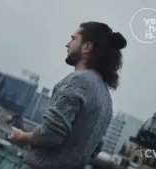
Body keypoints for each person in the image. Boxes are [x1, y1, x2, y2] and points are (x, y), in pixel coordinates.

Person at [10, 21, 127, 169]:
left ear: (87, 47)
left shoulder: (79, 80)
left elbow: (50, 134)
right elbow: (95, 149)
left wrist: (22, 138)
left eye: (73, 38)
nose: (67, 43)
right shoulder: (106, 99)